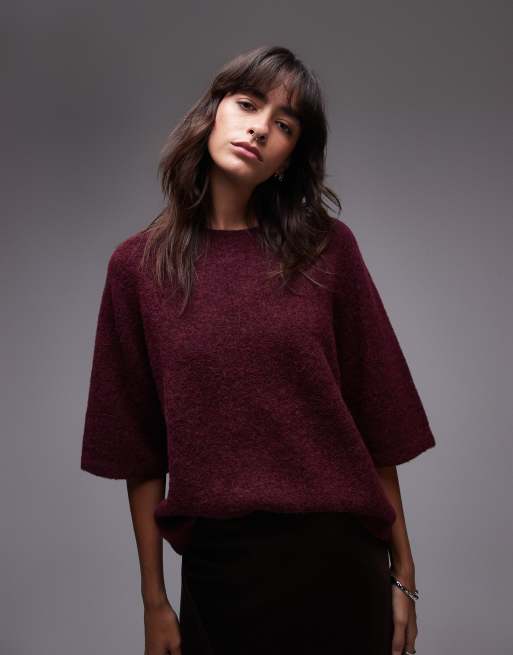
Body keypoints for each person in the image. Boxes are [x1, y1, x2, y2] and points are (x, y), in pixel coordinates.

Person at [80, 45, 435, 655]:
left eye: (285, 125)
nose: (260, 128)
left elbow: (377, 423)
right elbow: (140, 453)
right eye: (248, 104)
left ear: (289, 158)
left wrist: (404, 574)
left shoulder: (327, 251)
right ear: (212, 111)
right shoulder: (137, 269)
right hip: (221, 574)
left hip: (341, 564)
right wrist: (154, 602)